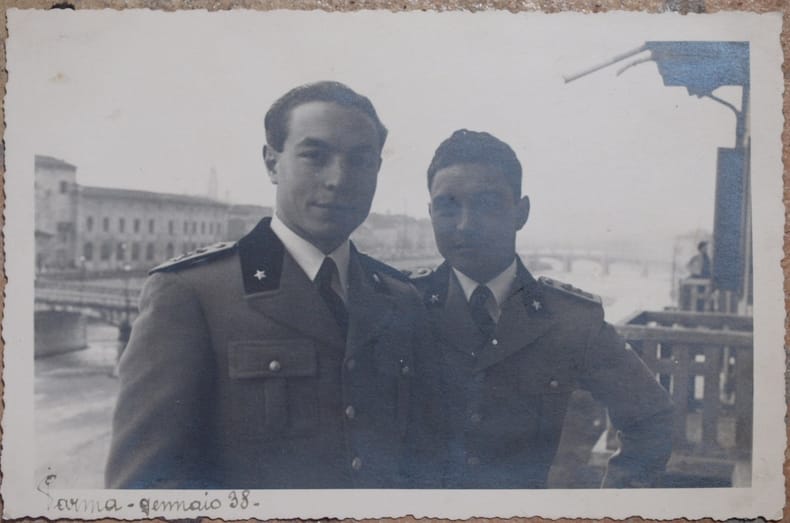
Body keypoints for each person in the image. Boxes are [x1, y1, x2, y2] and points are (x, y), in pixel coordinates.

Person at [106, 81, 443, 489]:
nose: (339, 179)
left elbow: (426, 466)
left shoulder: (399, 298)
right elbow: (145, 491)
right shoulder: (192, 294)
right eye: (315, 156)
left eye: (360, 160)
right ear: (271, 163)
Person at [412, 129, 674, 488]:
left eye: (487, 204)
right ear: (430, 213)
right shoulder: (400, 304)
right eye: (447, 206)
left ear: (521, 213)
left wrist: (615, 504)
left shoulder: (570, 319)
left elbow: (652, 416)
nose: (466, 224)